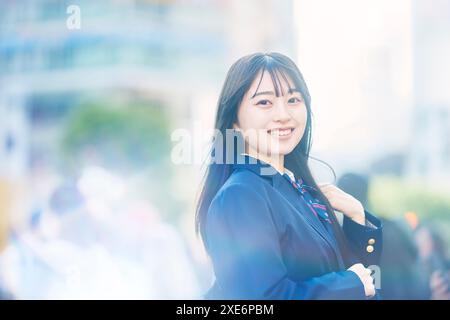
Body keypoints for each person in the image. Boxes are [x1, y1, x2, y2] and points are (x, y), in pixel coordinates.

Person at [195, 52, 383, 299]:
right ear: (234, 122)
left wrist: (358, 219)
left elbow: (363, 282)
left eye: (293, 100)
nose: (284, 114)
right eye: (264, 103)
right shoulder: (241, 195)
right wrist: (350, 285)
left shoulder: (299, 191)